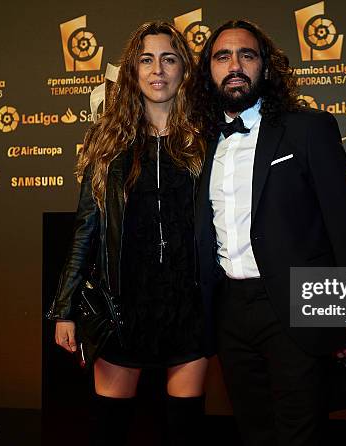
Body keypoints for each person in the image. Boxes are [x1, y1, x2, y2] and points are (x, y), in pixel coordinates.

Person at [193, 20, 346, 445]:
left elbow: (345, 224)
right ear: (209, 72)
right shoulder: (198, 143)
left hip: (296, 303)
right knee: (253, 429)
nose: (235, 65)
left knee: (298, 432)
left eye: (246, 55)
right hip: (229, 312)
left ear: (265, 68)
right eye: (222, 56)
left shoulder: (308, 129)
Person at [46, 21, 209, 446]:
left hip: (187, 308)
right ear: (133, 72)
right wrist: (63, 308)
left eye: (169, 58)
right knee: (109, 429)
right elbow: (87, 228)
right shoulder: (107, 142)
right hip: (121, 308)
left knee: (185, 429)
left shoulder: (207, 141)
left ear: (184, 70)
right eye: (147, 59)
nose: (158, 69)